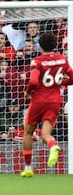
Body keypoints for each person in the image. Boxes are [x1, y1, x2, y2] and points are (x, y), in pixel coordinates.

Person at [21, 33, 73, 178]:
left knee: (28, 132)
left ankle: (28, 168)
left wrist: (27, 92)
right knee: (46, 134)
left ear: (40, 46)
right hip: (55, 100)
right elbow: (72, 77)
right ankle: (53, 145)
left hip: (39, 100)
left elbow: (33, 81)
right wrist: (61, 82)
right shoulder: (62, 59)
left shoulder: (37, 61)